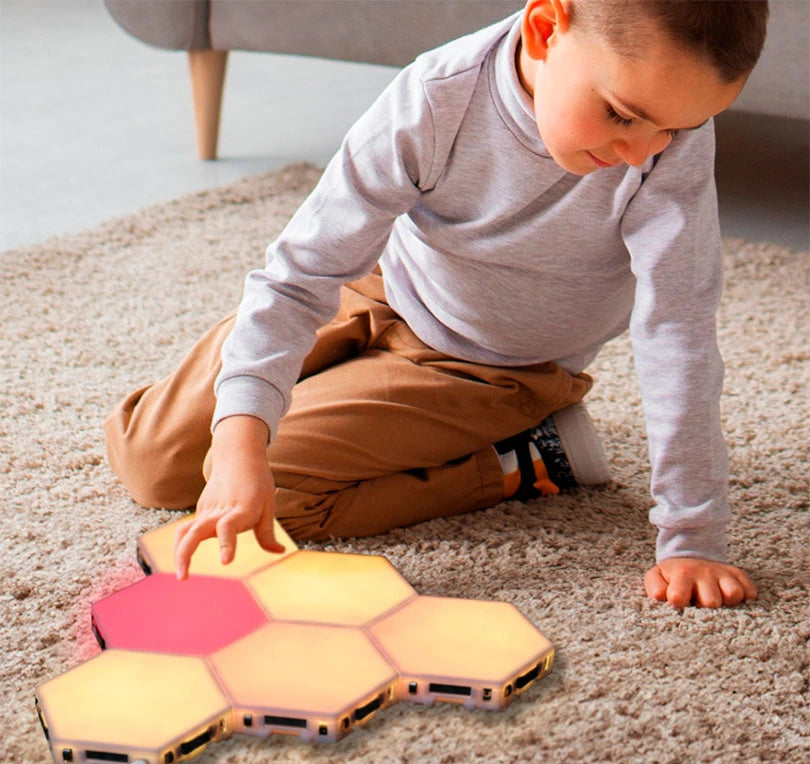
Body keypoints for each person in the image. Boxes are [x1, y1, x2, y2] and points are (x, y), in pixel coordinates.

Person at [104, 0, 769, 609]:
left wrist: (692, 539)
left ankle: (535, 454)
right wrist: (239, 437)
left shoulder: (664, 147)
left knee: (274, 496)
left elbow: (676, 333)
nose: (641, 151)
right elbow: (297, 274)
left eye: (677, 128)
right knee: (153, 457)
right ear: (545, 28)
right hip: (377, 290)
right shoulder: (436, 97)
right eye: (622, 114)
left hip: (491, 367)